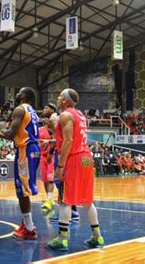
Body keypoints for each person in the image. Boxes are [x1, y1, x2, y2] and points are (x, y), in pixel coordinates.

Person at [46, 88, 104, 251]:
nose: (57, 99)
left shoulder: (65, 115)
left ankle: (62, 239)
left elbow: (68, 141)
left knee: (66, 200)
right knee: (87, 200)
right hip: (86, 157)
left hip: (75, 158)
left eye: (59, 97)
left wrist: (60, 166)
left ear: (65, 100)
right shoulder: (80, 115)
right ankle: (97, 236)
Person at [0, 87, 40, 240]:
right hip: (33, 149)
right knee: (25, 188)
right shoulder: (32, 111)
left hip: (25, 150)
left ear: (24, 95)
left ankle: (29, 229)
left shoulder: (20, 109)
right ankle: (27, 223)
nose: (17, 94)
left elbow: (10, 134)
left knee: (22, 190)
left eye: (20, 92)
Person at [39, 104, 57, 211]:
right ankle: (48, 199)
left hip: (52, 155)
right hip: (42, 156)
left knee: (50, 179)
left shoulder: (53, 128)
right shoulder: (40, 129)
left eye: (46, 108)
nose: (46, 120)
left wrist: (50, 153)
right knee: (45, 179)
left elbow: (56, 140)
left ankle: (50, 199)